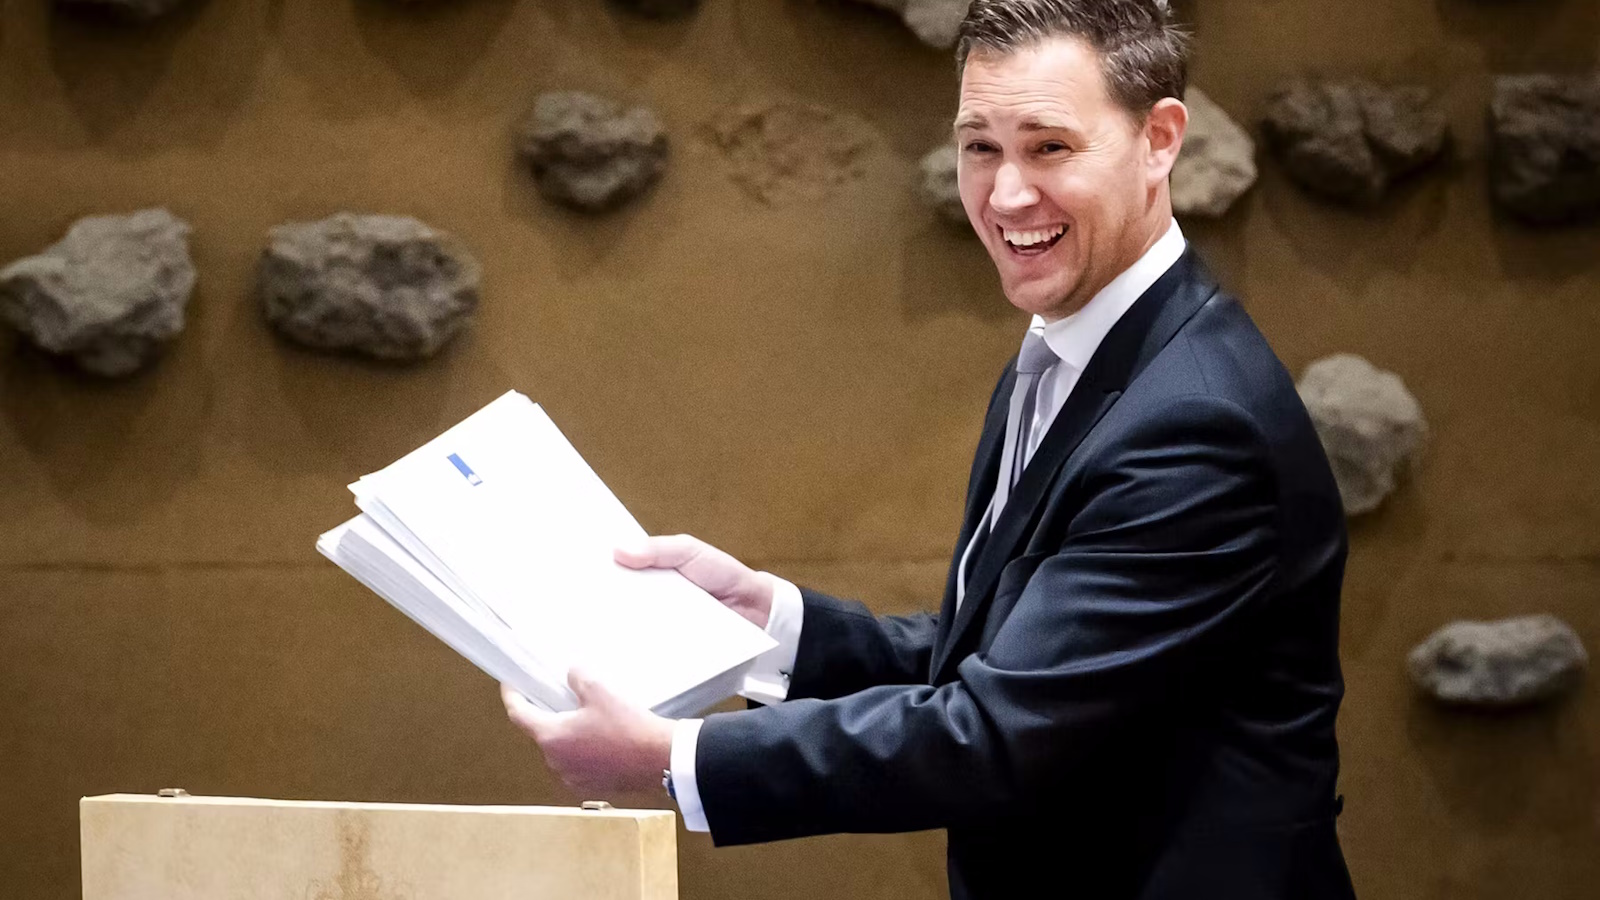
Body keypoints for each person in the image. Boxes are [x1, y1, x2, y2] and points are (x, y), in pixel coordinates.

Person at [501, 1, 1359, 897]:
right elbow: (1002, 654)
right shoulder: (1073, 348)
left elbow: (999, 729)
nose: (1007, 193)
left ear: (1160, 140)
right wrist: (767, 624)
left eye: (1049, 147)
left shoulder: (1193, 424)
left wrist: (676, 759)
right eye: (980, 146)